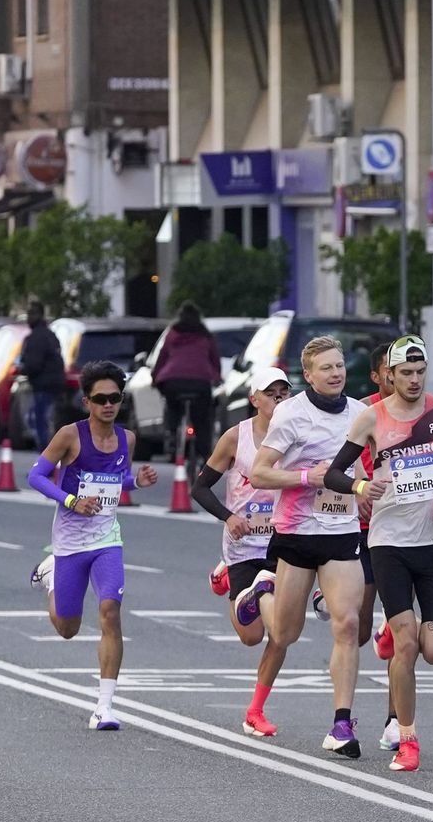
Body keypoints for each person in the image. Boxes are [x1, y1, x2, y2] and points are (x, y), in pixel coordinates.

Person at [323, 335, 433, 772]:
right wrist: (360, 486)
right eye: (404, 373)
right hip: (389, 542)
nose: (413, 380)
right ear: (388, 375)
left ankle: (391, 635)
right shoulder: (371, 419)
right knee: (409, 645)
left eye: (419, 372)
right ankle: (407, 738)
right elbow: (335, 473)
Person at [245, 336, 368, 759]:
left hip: (341, 530)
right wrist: (306, 479)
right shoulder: (290, 414)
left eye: (340, 366)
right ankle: (263, 591)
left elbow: (366, 467)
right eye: (326, 368)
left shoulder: (360, 414)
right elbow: (260, 474)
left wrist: (368, 488)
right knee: (284, 633)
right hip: (295, 534)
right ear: (309, 376)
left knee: (347, 624)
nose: (336, 373)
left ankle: (341, 722)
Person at [26, 361, 158, 730]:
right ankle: (51, 574)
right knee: (67, 627)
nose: (108, 405)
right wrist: (70, 501)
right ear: (87, 401)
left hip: (106, 539)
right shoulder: (70, 435)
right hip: (69, 543)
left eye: (115, 398)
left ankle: (104, 707)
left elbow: (115, 482)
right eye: (100, 399)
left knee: (110, 611)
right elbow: (35, 476)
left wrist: (137, 482)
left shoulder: (126, 439)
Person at [190, 366, 293, 738]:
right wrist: (229, 516)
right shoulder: (237, 437)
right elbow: (200, 488)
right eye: (271, 394)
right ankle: (227, 576)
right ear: (255, 400)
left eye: (284, 392)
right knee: (251, 636)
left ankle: (255, 710)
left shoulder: (299, 433)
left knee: (280, 633)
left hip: (285, 542)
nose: (279, 399)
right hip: (245, 543)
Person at [153, 301, 222, 464]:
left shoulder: (173, 333)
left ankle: (172, 432)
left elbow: (162, 357)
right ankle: (204, 452)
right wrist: (217, 377)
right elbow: (215, 359)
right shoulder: (205, 335)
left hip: (173, 381)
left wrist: (154, 376)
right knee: (203, 417)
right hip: (201, 382)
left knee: (172, 405)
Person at [19, 302, 66, 447]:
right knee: (48, 422)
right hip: (55, 385)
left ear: (39, 315)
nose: (28, 318)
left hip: (42, 386)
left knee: (40, 423)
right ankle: (49, 461)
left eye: (31, 314)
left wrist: (22, 368)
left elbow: (33, 364)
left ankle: (46, 463)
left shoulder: (36, 338)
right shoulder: (51, 335)